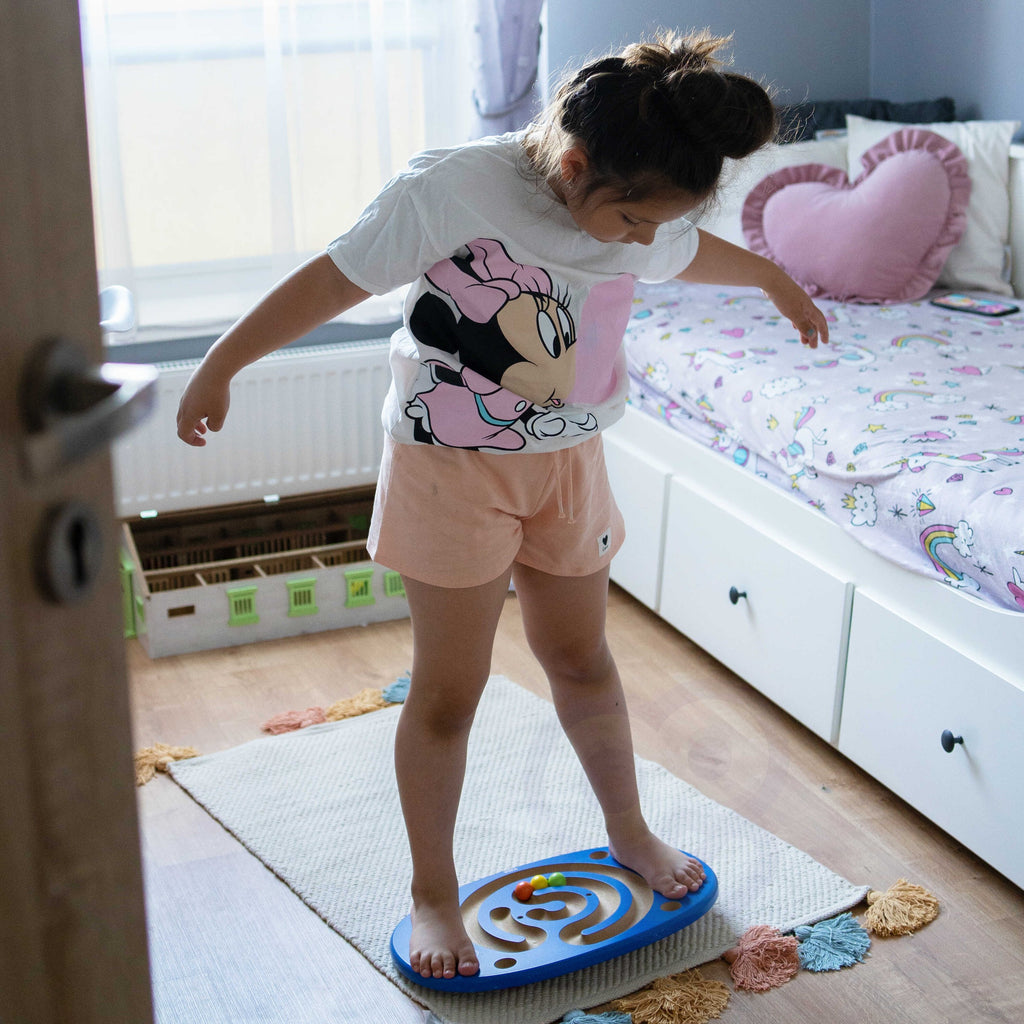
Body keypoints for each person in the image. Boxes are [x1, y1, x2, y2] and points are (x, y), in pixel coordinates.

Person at [177, 29, 829, 983]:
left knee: (582, 660)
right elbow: (331, 278)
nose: (647, 242)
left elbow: (686, 253)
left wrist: (772, 278)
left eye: (661, 225)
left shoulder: (644, 209)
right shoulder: (452, 189)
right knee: (450, 695)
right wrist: (221, 365)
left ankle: (630, 833)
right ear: (573, 167)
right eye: (635, 221)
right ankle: (433, 892)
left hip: (569, 467)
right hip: (451, 468)